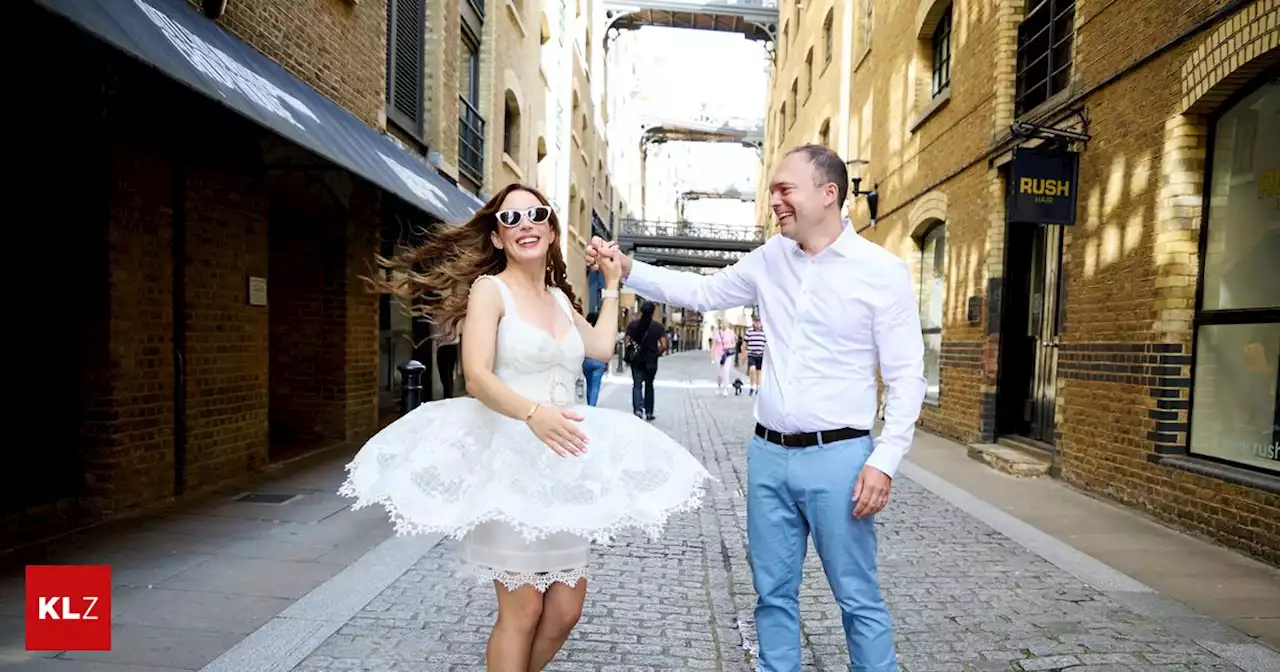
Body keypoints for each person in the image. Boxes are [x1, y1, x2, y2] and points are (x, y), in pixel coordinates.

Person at [341, 183, 713, 671]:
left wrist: (613, 283)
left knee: (565, 610)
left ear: (551, 228)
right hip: (511, 462)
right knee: (524, 610)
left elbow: (601, 348)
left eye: (535, 214)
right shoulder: (489, 291)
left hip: (565, 468)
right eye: (510, 219)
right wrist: (533, 414)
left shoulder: (559, 298)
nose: (524, 225)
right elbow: (476, 376)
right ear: (497, 238)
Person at [586, 144, 927, 672]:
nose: (774, 201)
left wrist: (884, 460)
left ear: (828, 193)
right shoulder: (771, 259)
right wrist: (627, 267)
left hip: (841, 459)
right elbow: (701, 292)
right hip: (768, 457)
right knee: (772, 595)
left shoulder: (882, 272)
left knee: (857, 599)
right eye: (772, 191)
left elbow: (907, 378)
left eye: (784, 189)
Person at [624, 301, 666, 420]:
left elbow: (626, 341)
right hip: (651, 361)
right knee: (649, 386)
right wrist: (656, 354)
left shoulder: (633, 325)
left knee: (637, 385)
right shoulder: (658, 327)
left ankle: (637, 410)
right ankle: (649, 412)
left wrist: (632, 349)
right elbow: (664, 345)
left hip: (637, 360)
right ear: (653, 312)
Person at [581, 312, 607, 406]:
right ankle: (592, 405)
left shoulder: (584, 330)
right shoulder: (603, 332)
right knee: (595, 385)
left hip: (587, 360)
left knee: (589, 384)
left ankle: (589, 404)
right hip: (599, 361)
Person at [710, 321, 736, 396]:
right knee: (719, 373)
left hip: (727, 354)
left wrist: (728, 346)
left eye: (725, 323)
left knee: (726, 371)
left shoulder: (731, 333)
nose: (724, 325)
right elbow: (713, 345)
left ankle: (725, 389)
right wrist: (712, 356)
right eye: (722, 324)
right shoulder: (717, 333)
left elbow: (734, 344)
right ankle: (718, 387)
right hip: (718, 354)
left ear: (727, 324)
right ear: (720, 324)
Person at [744, 315, 766, 396]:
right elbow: (745, 343)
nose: (757, 323)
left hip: (761, 354)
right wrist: (743, 354)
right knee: (752, 370)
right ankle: (752, 386)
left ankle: (757, 387)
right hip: (751, 354)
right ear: (754, 322)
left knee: (759, 372)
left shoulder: (764, 331)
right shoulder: (749, 331)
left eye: (759, 321)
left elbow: (766, 343)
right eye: (756, 321)